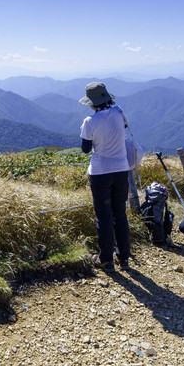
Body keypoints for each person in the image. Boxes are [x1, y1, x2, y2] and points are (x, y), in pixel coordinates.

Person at [79, 81, 131, 270]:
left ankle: (106, 259)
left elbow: (85, 149)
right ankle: (124, 257)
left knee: (104, 216)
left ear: (92, 103)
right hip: (121, 169)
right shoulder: (118, 112)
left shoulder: (90, 122)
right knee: (120, 213)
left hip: (101, 172)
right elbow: (122, 130)